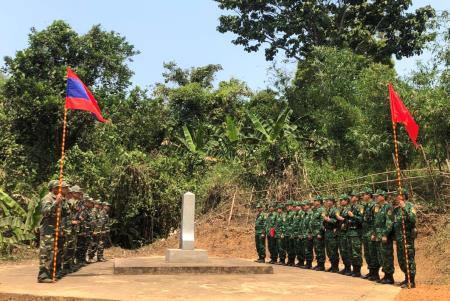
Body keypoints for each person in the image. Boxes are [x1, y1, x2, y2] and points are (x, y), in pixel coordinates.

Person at [37, 180, 69, 283]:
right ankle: (42, 276)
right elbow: (46, 212)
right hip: (48, 231)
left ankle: (51, 274)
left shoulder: (59, 198)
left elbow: (65, 214)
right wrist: (56, 203)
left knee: (54, 253)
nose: (60, 189)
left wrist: (62, 202)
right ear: (53, 188)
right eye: (58, 187)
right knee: (46, 253)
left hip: (56, 230)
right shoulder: (47, 198)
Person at [393, 189, 417, 288]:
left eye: (399, 195)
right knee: (401, 260)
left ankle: (411, 281)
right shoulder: (397, 209)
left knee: (409, 259)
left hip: (407, 238)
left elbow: (412, 219)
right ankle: (406, 278)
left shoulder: (410, 206)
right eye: (397, 195)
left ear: (404, 196)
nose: (397, 197)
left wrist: (404, 208)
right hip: (399, 239)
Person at [372, 189, 395, 284]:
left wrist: (385, 234)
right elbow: (375, 222)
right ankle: (385, 275)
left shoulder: (388, 207)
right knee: (381, 256)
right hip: (378, 236)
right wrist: (374, 233)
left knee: (387, 256)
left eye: (378, 196)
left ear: (383, 196)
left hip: (384, 236)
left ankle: (389, 277)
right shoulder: (378, 207)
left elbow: (389, 222)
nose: (376, 198)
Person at [361, 187, 380, 281]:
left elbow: (376, 220)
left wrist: (374, 233)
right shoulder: (365, 205)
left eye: (364, 194)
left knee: (373, 254)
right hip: (365, 232)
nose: (363, 196)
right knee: (367, 254)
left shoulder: (374, 205)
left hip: (371, 232)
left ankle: (375, 274)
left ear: (369, 195)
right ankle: (371, 271)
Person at [347, 191, 364, 277]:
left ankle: (358, 271)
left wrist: (353, 216)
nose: (351, 198)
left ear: (357, 198)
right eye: (351, 196)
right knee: (351, 252)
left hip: (356, 233)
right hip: (350, 233)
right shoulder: (350, 207)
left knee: (356, 252)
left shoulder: (360, 207)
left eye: (353, 196)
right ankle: (354, 269)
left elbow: (361, 220)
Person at [323, 195, 339, 273]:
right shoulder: (327, 210)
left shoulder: (335, 210)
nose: (328, 202)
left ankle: (335, 267)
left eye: (329, 201)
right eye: (327, 201)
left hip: (333, 232)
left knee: (333, 250)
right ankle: (332, 265)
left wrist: (328, 219)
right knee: (329, 250)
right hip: (327, 231)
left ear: (333, 202)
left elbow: (337, 221)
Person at [336, 194, 352, 275]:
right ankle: (346, 267)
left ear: (347, 201)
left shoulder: (349, 208)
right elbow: (336, 217)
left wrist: (343, 220)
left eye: (343, 200)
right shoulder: (339, 209)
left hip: (346, 233)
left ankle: (349, 269)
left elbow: (351, 220)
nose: (342, 201)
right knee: (342, 251)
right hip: (340, 233)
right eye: (341, 200)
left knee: (346, 251)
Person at [310, 195, 326, 271]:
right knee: (316, 249)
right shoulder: (315, 210)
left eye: (315, 201)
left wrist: (320, 233)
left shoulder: (322, 210)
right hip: (314, 233)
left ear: (319, 202)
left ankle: (321, 265)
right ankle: (318, 264)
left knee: (320, 249)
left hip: (318, 233)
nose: (314, 202)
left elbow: (322, 222)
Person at [301, 200, 314, 269]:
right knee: (305, 249)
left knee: (308, 249)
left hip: (308, 234)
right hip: (304, 234)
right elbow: (303, 225)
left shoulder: (310, 213)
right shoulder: (304, 214)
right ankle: (307, 263)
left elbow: (310, 225)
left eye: (305, 205)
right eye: (303, 206)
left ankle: (309, 263)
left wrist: (309, 233)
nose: (303, 207)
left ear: (308, 206)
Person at [285, 201, 297, 266]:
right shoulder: (287, 213)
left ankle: (292, 261)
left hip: (291, 233)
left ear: (292, 206)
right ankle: (289, 260)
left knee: (292, 248)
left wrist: (292, 233)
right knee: (288, 248)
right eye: (287, 206)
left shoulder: (293, 213)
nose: (287, 207)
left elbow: (294, 225)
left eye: (289, 206)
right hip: (287, 233)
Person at [293, 201, 305, 267]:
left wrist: (300, 233)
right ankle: (299, 261)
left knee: (301, 248)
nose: (295, 207)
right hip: (295, 233)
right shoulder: (296, 214)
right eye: (295, 206)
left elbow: (302, 224)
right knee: (297, 248)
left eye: (296, 206)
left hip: (300, 234)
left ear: (299, 207)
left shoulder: (302, 213)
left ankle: (302, 261)